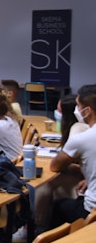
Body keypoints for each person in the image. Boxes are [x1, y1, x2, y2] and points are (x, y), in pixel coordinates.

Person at [33, 95, 90, 234]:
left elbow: (56, 166)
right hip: (84, 179)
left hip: (85, 190)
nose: (57, 114)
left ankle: (38, 230)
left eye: (59, 111)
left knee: (45, 186)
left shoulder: (78, 129)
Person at [50, 84, 96, 227]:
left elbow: (55, 166)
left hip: (91, 209)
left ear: (87, 111)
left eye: (78, 105)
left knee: (60, 206)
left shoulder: (82, 138)